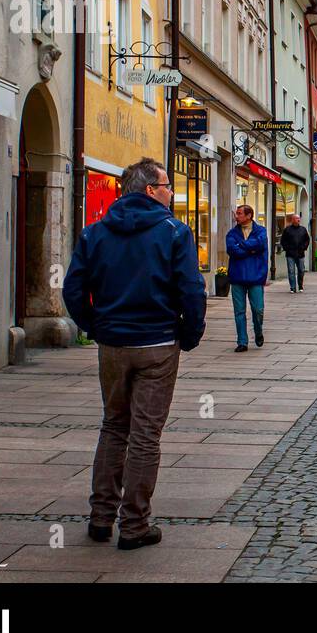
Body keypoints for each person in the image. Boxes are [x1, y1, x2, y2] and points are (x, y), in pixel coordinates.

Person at [62, 158, 205, 551]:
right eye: (167, 186)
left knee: (113, 426)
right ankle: (135, 524)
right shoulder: (175, 232)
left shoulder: (95, 233)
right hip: (157, 343)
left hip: (113, 345)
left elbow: (73, 291)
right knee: (145, 434)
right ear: (150, 191)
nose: (171, 193)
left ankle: (101, 516)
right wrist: (189, 334)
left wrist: (94, 326)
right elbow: (191, 290)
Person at [225, 205, 268, 353]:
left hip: (256, 276)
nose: (236, 216)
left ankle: (258, 330)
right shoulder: (232, 233)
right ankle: (242, 341)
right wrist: (251, 250)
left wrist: (242, 246)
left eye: (239, 213)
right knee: (239, 311)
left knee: (258, 309)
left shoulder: (261, 231)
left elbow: (260, 244)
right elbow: (232, 249)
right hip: (237, 276)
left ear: (249, 215)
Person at [279, 213, 310, 294]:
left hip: (300, 253)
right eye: (296, 218)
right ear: (292, 220)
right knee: (291, 271)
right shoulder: (287, 230)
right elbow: (283, 241)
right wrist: (287, 248)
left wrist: (304, 247)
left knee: (301, 270)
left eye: (299, 218)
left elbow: (307, 239)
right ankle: (292, 287)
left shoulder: (303, 229)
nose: (298, 220)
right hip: (290, 254)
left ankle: (300, 286)